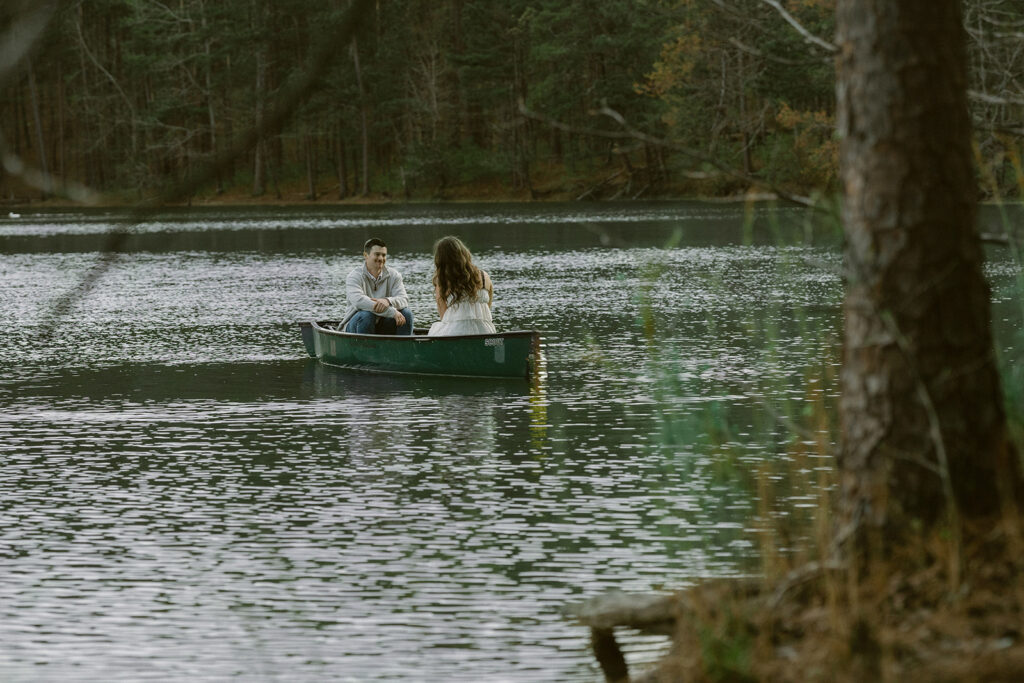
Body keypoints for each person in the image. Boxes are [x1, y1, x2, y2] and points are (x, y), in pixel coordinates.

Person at [340, 238, 414, 335]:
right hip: (356, 325)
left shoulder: (394, 275)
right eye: (377, 254)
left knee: (406, 314)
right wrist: (391, 312)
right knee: (367, 315)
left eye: (383, 255)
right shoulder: (354, 276)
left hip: (383, 324)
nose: (381, 258)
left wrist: (388, 301)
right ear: (365, 255)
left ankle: (404, 348)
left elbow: (404, 299)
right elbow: (359, 302)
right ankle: (366, 349)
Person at [428, 236, 497, 336]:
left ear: (440, 260)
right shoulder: (484, 276)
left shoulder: (443, 280)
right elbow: (488, 307)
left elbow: (443, 316)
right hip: (486, 332)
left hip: (455, 333)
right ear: (464, 253)